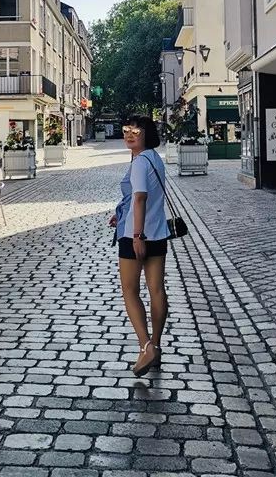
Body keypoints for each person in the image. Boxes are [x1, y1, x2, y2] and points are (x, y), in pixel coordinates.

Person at [109, 114, 169, 377]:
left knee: (130, 291)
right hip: (159, 232)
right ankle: (156, 345)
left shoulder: (139, 163)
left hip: (137, 237)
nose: (129, 135)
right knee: (157, 289)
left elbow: (141, 198)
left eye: (135, 130)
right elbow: (140, 197)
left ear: (146, 133)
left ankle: (145, 347)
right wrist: (121, 213)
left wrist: (136, 235)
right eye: (126, 130)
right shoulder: (155, 159)